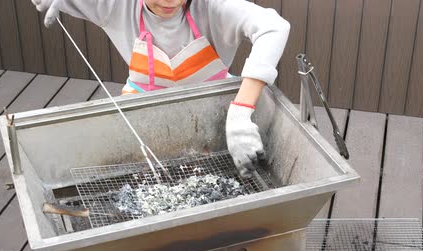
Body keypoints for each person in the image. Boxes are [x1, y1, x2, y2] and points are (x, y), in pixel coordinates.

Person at [31, 0, 290, 177]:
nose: (170, 1)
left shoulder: (213, 6)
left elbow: (274, 27)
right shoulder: (115, 6)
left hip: (214, 112)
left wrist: (241, 111)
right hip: (145, 112)